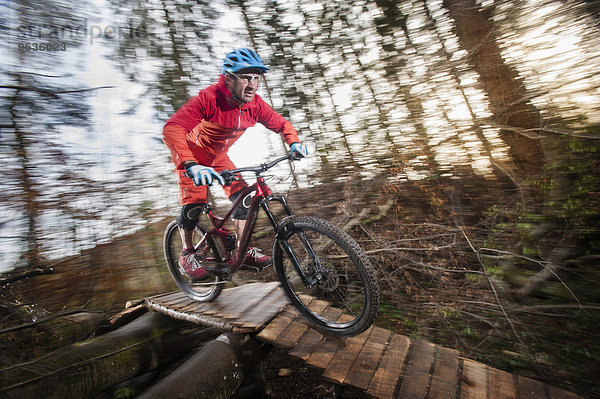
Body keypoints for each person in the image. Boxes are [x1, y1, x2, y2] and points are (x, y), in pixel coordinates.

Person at [163, 48, 309, 279]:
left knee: (244, 197)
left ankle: (243, 250)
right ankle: (187, 253)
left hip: (219, 157)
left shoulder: (255, 105)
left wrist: (294, 142)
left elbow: (282, 124)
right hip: (192, 153)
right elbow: (172, 128)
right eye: (244, 77)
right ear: (229, 78)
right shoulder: (209, 99)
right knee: (194, 202)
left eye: (255, 78)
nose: (251, 85)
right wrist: (190, 164)